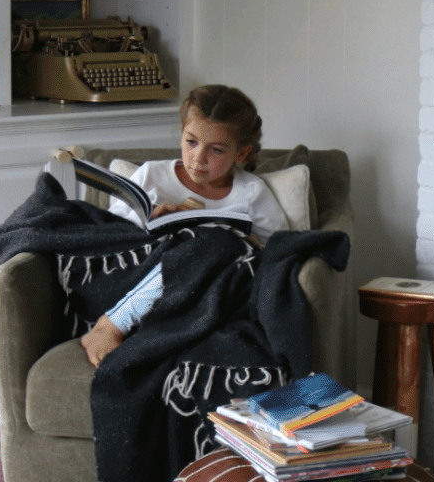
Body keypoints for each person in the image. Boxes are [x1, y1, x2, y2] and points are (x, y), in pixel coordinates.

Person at [79, 83, 287, 366]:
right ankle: (112, 323)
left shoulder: (251, 192)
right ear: (181, 136)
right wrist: (152, 218)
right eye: (191, 143)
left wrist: (248, 244)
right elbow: (112, 233)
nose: (198, 158)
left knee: (217, 244)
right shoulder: (152, 174)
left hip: (207, 294)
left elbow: (282, 249)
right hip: (145, 274)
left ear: (240, 154)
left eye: (215, 150)